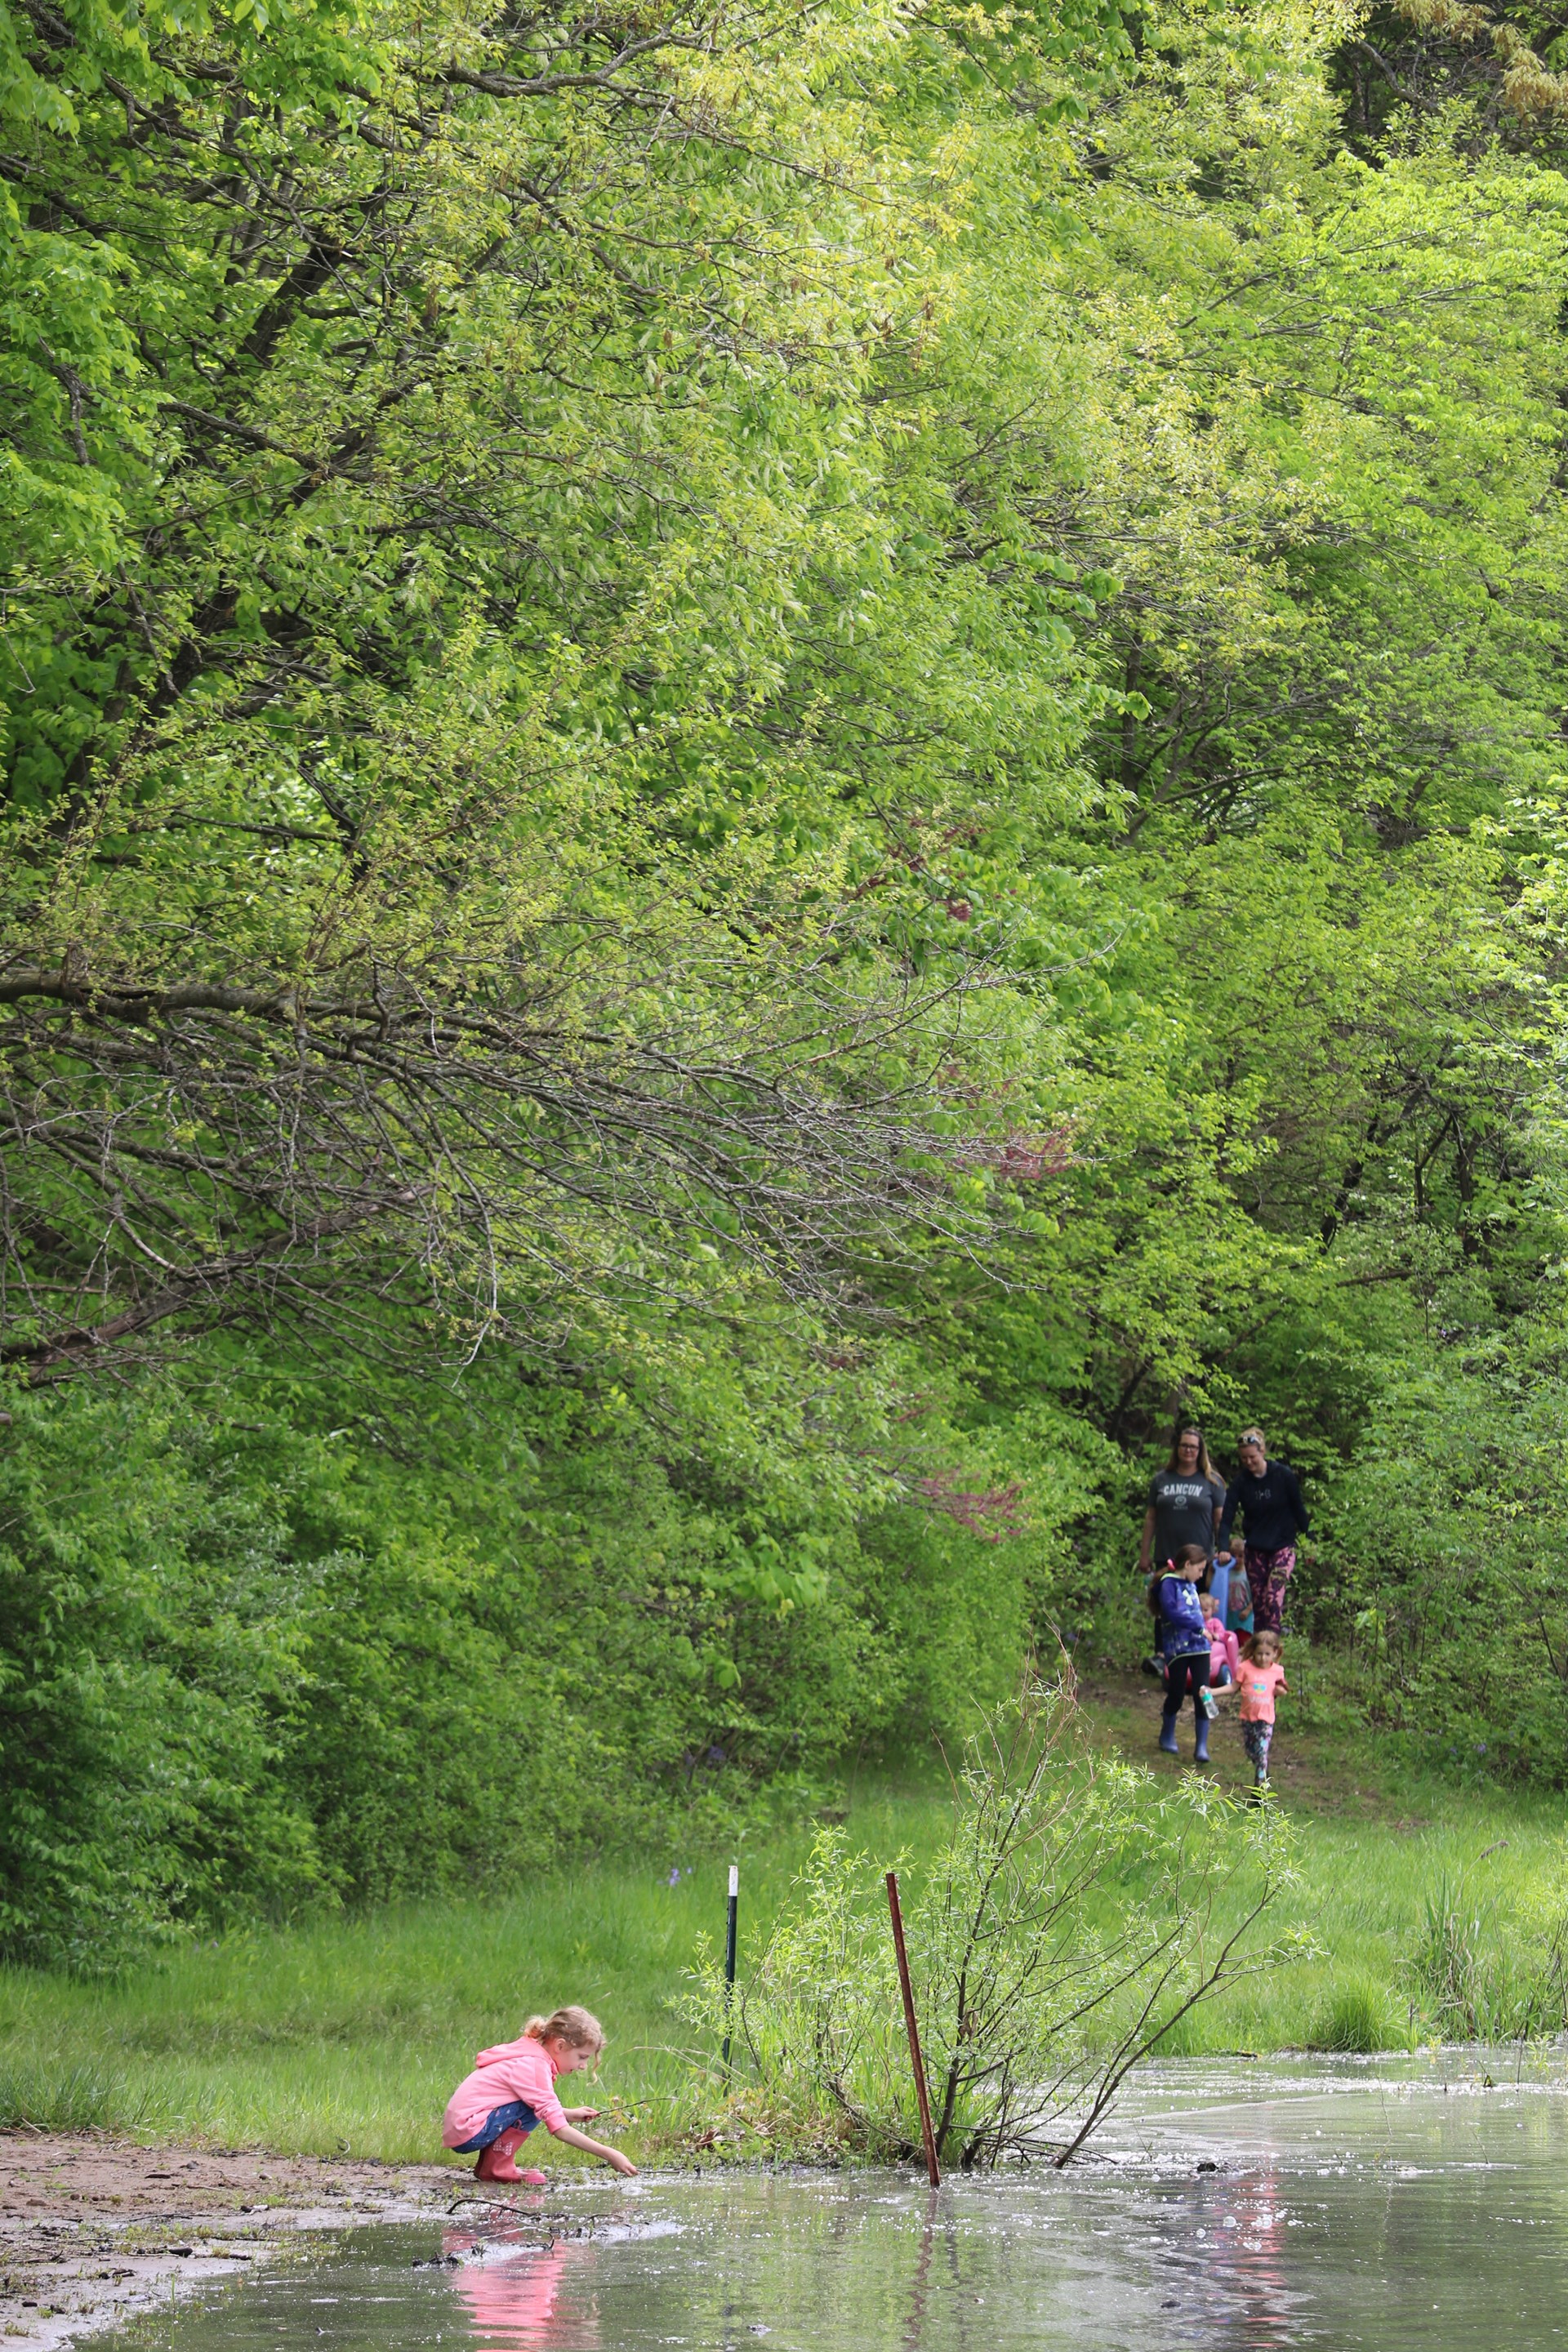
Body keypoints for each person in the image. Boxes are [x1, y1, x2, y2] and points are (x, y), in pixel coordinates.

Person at [443, 2004, 638, 2183]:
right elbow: (559, 2130)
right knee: (533, 2108)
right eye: (582, 2057)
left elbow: (525, 2102)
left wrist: (567, 2113)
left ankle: (492, 2167)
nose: (583, 2066)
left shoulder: (529, 2055)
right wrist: (610, 2154)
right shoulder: (534, 2065)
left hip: (465, 2126)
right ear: (560, 2046)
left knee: (535, 2106)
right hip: (470, 2130)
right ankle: (497, 2168)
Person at [1218, 1427, 1309, 1636]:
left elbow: (1299, 1511)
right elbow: (1227, 1519)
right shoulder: (1241, 1483)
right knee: (1259, 1607)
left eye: (1252, 1457)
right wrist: (1223, 1547)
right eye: (1244, 1459)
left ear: (1262, 1451)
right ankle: (1259, 1655)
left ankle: (1272, 1649)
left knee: (1272, 1599)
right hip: (1256, 1549)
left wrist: (1310, 1543)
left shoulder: (1283, 1476)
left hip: (1282, 1547)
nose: (1248, 1462)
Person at [1139, 1423, 1227, 1588]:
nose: (1188, 1450)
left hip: (1199, 1561)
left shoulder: (1212, 1481)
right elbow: (1151, 1518)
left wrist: (1223, 1550)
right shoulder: (1161, 1479)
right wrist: (1144, 1554)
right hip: (1167, 1558)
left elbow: (1219, 1520)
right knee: (1166, 1609)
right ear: (1177, 1448)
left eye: (1193, 1447)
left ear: (1200, 1451)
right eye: (1184, 1445)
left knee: (1196, 1610)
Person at [1150, 1540, 1214, 1763]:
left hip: (1200, 1647)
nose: (1200, 1575)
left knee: (1203, 1692)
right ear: (1187, 1564)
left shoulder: (1192, 1585)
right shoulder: (1169, 1584)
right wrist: (1198, 1627)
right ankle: (1166, 1733)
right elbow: (1171, 1613)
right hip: (1178, 1649)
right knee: (1177, 1693)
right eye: (1199, 1569)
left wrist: (1208, 1629)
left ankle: (1202, 1746)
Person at [1234, 1628, 1289, 1794]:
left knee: (1262, 1754)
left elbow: (1283, 1688)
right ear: (1253, 1652)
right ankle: (1262, 1771)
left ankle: (1259, 1793)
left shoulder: (1277, 1670)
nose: (1263, 1658)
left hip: (1266, 1720)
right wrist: (1211, 1692)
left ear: (1275, 1653)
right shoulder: (1245, 1668)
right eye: (1259, 1654)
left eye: (1267, 1654)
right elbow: (1233, 1687)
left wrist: (1280, 1691)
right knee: (1252, 1751)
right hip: (1248, 1719)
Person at [1203, 1597, 1239, 1687]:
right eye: (1199, 1610)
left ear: (1213, 1610)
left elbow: (1222, 1633)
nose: (1202, 1613)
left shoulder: (1215, 1622)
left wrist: (1216, 1636)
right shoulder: (1198, 1623)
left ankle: (1222, 1673)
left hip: (1214, 1644)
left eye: (1205, 1610)